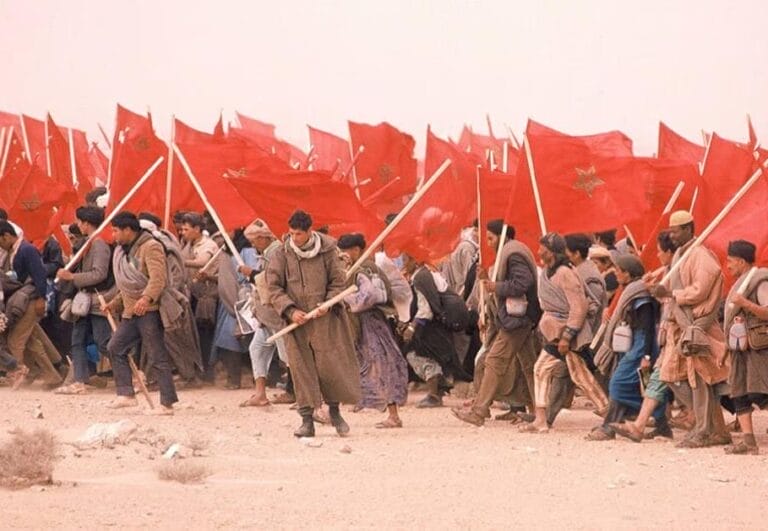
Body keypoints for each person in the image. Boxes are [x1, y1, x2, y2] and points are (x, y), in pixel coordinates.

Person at [266, 210, 360, 437]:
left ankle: (335, 413)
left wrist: (328, 304)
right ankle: (307, 420)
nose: (294, 238)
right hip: (297, 324)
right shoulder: (281, 253)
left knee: (330, 367)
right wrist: (290, 310)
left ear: (309, 231)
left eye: (298, 234)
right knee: (300, 369)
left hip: (325, 322)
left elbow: (339, 281)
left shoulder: (328, 250)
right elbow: (274, 288)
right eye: (291, 233)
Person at [644, 210, 730, 448]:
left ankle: (705, 430)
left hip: (697, 325)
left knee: (700, 379)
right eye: (670, 230)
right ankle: (715, 429)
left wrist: (671, 294)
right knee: (673, 376)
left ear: (689, 229)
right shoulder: (681, 255)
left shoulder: (701, 255)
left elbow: (701, 290)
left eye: (676, 230)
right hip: (680, 326)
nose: (671, 235)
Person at [452, 222, 540, 427]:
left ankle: (479, 411)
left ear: (501, 237)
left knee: (494, 361)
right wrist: (487, 279)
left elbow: (521, 283)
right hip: (520, 318)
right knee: (529, 366)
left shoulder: (513, 253)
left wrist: (495, 286)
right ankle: (539, 411)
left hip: (517, 318)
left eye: (490, 238)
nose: (488, 243)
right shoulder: (512, 250)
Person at [520, 233, 608, 433]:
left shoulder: (565, 273)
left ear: (551, 251)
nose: (539, 251)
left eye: (542, 248)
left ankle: (608, 414)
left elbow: (578, 307)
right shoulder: (548, 272)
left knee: (575, 375)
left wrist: (567, 336)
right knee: (562, 373)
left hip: (566, 333)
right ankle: (541, 419)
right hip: (554, 332)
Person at [102, 212, 178, 414]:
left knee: (157, 355)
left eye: (116, 230)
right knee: (115, 347)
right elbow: (127, 285)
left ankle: (167, 403)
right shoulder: (123, 251)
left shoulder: (151, 246)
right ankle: (126, 394)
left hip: (149, 310)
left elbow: (157, 279)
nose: (113, 235)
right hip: (130, 311)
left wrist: (146, 299)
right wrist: (114, 303)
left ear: (128, 230)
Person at [587, 255, 665, 440]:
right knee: (628, 385)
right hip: (632, 344)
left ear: (628, 274)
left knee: (619, 384)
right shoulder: (631, 291)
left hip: (640, 346)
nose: (616, 275)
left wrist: (645, 356)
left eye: (619, 271)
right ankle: (615, 424)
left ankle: (610, 428)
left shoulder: (641, 297)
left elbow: (647, 329)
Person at [338, 233, 408, 428]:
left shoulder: (365, 269)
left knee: (383, 363)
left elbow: (370, 296)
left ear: (356, 250)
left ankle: (393, 415)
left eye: (346, 251)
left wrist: (346, 300)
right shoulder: (353, 269)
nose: (343, 255)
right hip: (358, 323)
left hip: (371, 322)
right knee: (357, 363)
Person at [54, 206, 115, 395]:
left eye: (80, 222)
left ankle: (132, 372)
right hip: (83, 302)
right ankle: (80, 380)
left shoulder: (99, 244)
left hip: (97, 300)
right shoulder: (88, 242)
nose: (78, 225)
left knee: (104, 341)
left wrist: (72, 278)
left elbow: (99, 273)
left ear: (86, 223)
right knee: (77, 340)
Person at [402, 252, 471, 408]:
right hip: (438, 324)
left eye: (406, 259)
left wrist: (412, 328)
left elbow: (425, 309)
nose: (404, 263)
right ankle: (438, 392)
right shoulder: (426, 274)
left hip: (432, 325)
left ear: (415, 260)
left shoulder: (421, 278)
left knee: (416, 354)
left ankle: (433, 395)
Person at [0, 221, 63, 388]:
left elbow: (39, 275)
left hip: (30, 300)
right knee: (31, 341)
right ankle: (49, 374)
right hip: (23, 300)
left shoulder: (26, 250)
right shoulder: (13, 251)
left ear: (6, 236)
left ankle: (18, 374)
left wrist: (42, 299)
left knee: (16, 340)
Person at [722, 240, 768, 455]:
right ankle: (748, 442)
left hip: (757, 348)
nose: (728, 265)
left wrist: (745, 303)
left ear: (741, 261)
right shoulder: (739, 282)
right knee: (739, 393)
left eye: (730, 261)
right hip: (738, 346)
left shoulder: (760, 280)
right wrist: (724, 350)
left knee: (762, 393)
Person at [181, 212, 220, 382]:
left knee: (205, 335)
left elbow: (203, 262)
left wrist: (179, 261)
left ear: (197, 229)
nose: (183, 232)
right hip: (193, 294)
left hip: (207, 295)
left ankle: (208, 371)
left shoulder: (208, 245)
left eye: (186, 229)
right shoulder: (188, 245)